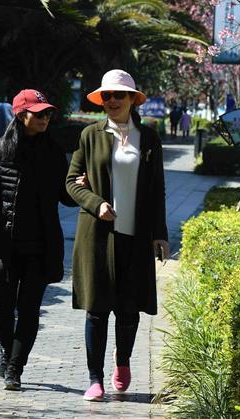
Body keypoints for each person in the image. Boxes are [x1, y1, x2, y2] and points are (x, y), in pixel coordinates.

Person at [66, 69, 169, 402]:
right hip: (97, 236)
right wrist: (96, 204)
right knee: (96, 309)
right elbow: (71, 182)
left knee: (128, 310)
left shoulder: (149, 138)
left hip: (136, 237)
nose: (111, 101)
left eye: (118, 95)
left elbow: (157, 190)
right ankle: (94, 378)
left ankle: (122, 363)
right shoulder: (90, 135)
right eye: (106, 96)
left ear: (132, 100)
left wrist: (160, 234)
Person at [0, 89, 75, 392]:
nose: (45, 118)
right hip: (4, 242)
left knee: (29, 311)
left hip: (41, 246)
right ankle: (6, 351)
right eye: (39, 113)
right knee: (1, 310)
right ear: (21, 115)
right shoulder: (2, 151)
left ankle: (15, 367)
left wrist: (82, 185)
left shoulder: (54, 153)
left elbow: (65, 198)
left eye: (48, 113)